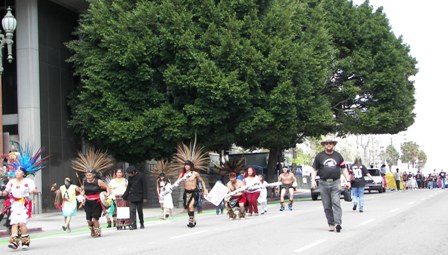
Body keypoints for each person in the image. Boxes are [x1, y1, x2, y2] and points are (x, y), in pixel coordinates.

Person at [0, 143, 48, 250]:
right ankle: (14, 242)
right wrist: (2, 193)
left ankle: (25, 241)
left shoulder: (28, 181)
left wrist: (32, 191)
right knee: (14, 223)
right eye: (16, 171)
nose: (16, 172)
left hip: (24, 204)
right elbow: (5, 192)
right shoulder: (11, 182)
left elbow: (35, 190)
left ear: (23, 173)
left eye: (19, 171)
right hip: (14, 205)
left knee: (21, 223)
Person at [311, 137, 351, 233]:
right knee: (327, 205)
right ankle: (331, 224)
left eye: (330, 143)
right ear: (324, 145)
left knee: (336, 202)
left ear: (333, 145)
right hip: (323, 183)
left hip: (335, 182)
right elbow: (314, 169)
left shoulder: (338, 156)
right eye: (326, 143)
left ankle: (338, 223)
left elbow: (344, 168)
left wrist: (348, 180)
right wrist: (312, 180)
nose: (328, 145)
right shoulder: (319, 156)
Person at [176, 160, 208, 228]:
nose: (186, 166)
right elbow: (177, 183)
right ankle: (193, 218)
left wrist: (205, 190)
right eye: (185, 165)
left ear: (191, 166)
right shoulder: (182, 175)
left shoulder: (195, 173)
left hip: (194, 192)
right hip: (186, 192)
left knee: (191, 206)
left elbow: (202, 181)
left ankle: (191, 221)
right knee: (188, 208)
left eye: (188, 165)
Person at [81, 168, 109, 237]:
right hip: (88, 202)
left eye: (89, 175)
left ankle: (97, 232)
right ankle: (92, 230)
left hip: (97, 202)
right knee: (88, 220)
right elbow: (84, 190)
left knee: (95, 218)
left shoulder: (98, 181)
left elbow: (107, 187)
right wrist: (82, 194)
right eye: (87, 175)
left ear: (93, 175)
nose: (88, 177)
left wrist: (107, 194)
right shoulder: (85, 181)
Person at [123, 165, 148, 230]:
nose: (129, 175)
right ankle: (134, 224)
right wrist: (124, 196)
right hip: (132, 196)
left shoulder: (141, 176)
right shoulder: (130, 178)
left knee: (139, 211)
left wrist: (145, 197)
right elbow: (128, 187)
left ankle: (141, 223)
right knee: (132, 210)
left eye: (129, 173)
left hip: (140, 196)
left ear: (133, 172)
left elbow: (145, 187)